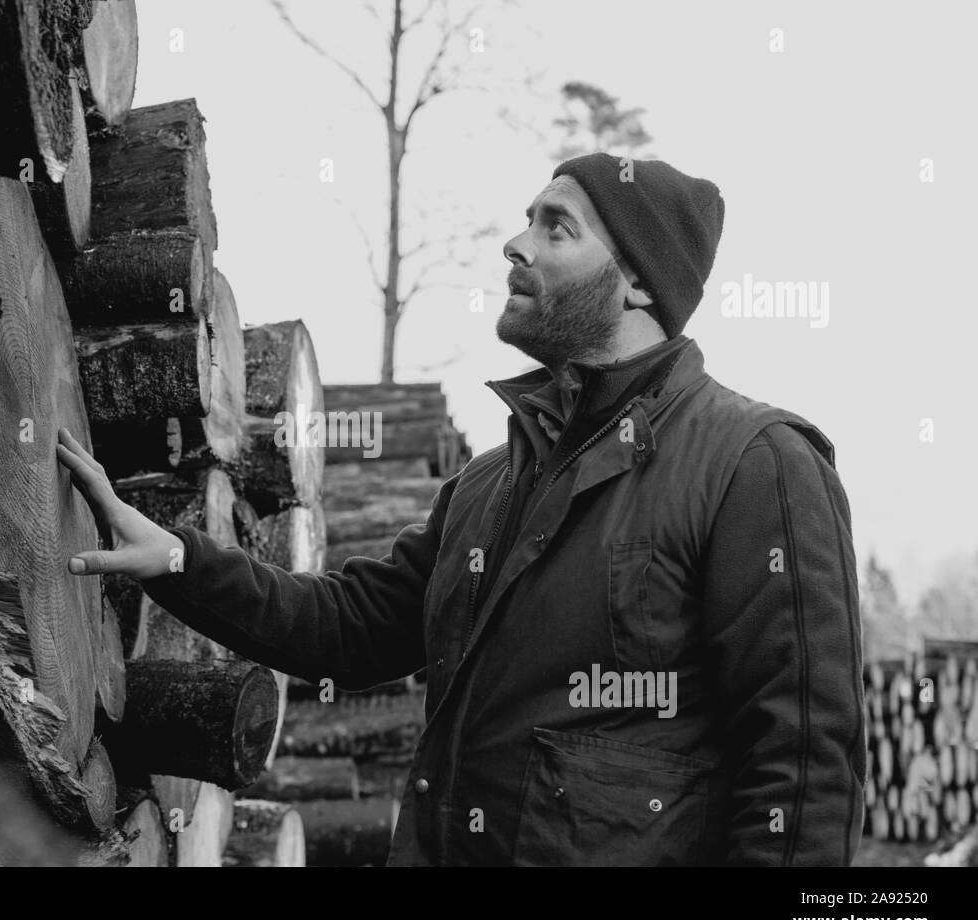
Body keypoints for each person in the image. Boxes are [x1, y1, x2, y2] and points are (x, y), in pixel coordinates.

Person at [55, 152, 866, 866]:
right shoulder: (491, 486)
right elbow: (348, 625)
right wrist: (179, 558)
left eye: (557, 229)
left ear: (640, 282)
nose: (515, 245)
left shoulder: (754, 464)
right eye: (527, 222)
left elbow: (801, 773)